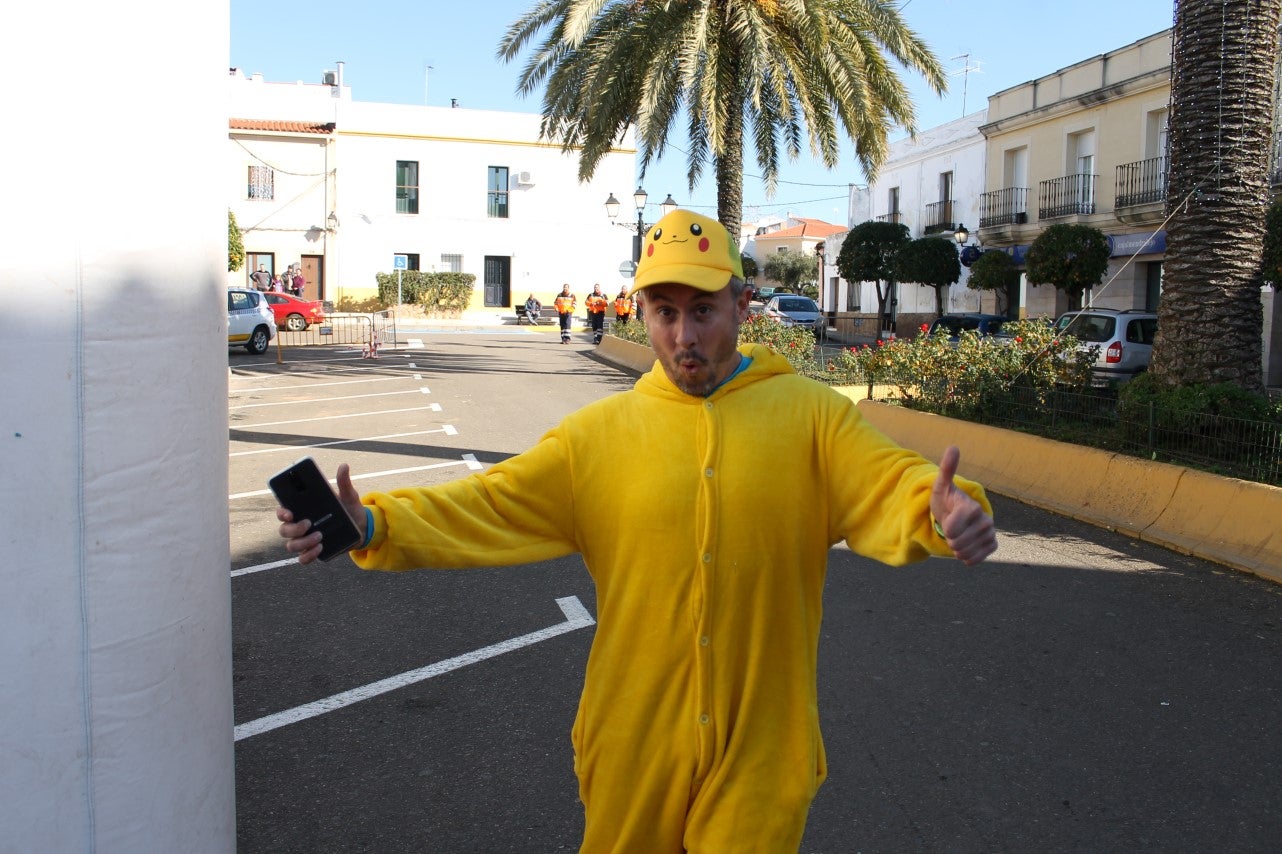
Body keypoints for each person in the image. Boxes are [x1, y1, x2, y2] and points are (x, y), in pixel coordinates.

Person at [275, 209, 997, 852]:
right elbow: (488, 504)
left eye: (703, 310)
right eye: (663, 312)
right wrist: (370, 523)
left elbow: (889, 481)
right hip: (632, 738)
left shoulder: (814, 417)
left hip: (763, 746)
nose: (684, 336)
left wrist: (944, 513)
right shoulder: (599, 437)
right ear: (640, 313)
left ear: (743, 307)